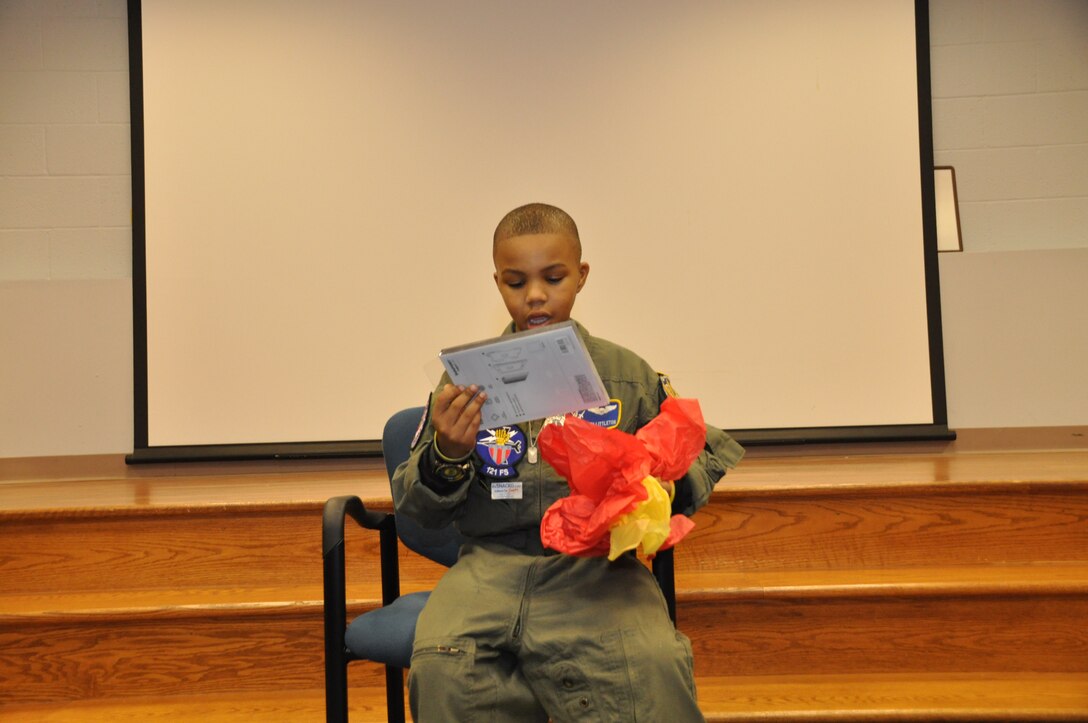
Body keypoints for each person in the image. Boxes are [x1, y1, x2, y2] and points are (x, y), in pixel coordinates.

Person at [392, 202, 743, 722]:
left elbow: (703, 449)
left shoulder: (622, 374)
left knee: (653, 663)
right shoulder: (467, 381)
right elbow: (417, 506)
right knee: (444, 666)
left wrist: (658, 487)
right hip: (489, 567)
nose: (535, 295)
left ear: (580, 276)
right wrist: (449, 452)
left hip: (598, 571)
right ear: (497, 283)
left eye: (552, 278)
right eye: (515, 282)